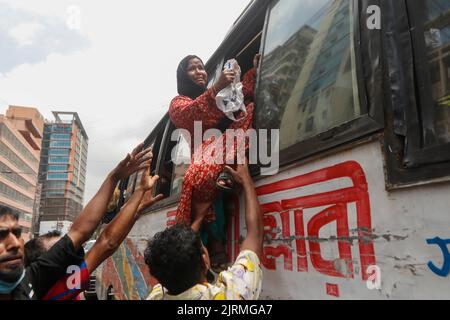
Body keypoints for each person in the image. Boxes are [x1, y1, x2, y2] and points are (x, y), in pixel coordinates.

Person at [0, 142, 154, 300]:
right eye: (1, 235)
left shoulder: (30, 284)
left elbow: (89, 236)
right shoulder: (55, 289)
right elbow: (104, 242)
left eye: (17, 233)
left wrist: (117, 179)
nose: (14, 243)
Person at [145, 160, 264, 300]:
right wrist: (246, 180)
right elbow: (255, 234)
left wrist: (199, 218)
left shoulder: (156, 295)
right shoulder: (231, 294)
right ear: (205, 260)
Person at [169, 54, 260, 227]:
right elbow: (193, 113)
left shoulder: (218, 95)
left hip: (225, 167)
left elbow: (239, 96)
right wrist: (217, 87)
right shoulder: (178, 103)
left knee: (247, 108)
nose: (199, 72)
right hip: (204, 171)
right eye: (192, 68)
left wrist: (254, 72)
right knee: (204, 234)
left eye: (201, 67)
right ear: (182, 76)